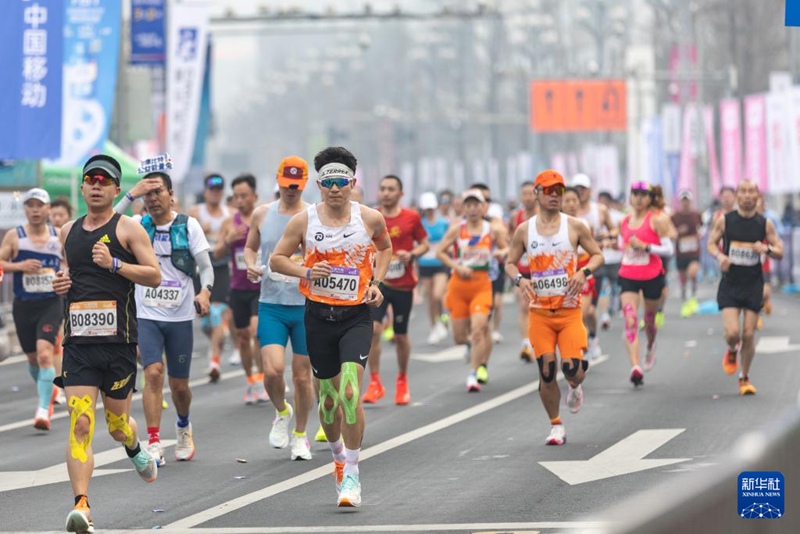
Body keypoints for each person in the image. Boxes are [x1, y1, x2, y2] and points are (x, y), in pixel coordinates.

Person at [270, 147, 391, 507]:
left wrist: (377, 283)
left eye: (342, 182)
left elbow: (385, 250)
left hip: (355, 316)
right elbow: (276, 259)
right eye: (328, 182)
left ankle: (352, 474)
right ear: (319, 185)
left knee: (351, 393)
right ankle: (338, 459)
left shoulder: (369, 218)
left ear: (353, 183)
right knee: (327, 403)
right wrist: (306, 271)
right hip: (319, 316)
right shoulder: (304, 221)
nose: (335, 188)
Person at [52, 154, 161, 533]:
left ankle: (133, 445)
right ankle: (82, 506)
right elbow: (69, 275)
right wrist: (60, 284)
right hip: (79, 343)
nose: (96, 185)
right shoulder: (67, 231)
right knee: (80, 422)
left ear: (116, 189)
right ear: (82, 187)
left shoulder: (127, 228)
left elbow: (154, 276)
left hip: (118, 343)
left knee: (116, 425)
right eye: (90, 179)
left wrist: (115, 265)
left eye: (104, 180)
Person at [114, 171, 213, 467]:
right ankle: (154, 441)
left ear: (171, 195)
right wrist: (131, 193)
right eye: (148, 193)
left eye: (158, 192)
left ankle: (183, 426)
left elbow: (206, 267)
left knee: (179, 386)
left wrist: (205, 292)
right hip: (146, 314)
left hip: (180, 316)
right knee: (153, 374)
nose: (153, 198)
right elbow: (107, 223)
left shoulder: (188, 225)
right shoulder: (137, 226)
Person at [505, 170, 603, 445]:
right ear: (536, 194)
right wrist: (519, 280)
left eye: (559, 191)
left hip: (570, 311)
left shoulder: (575, 226)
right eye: (548, 191)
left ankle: (575, 384)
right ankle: (556, 425)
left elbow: (597, 255)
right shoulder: (525, 230)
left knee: (573, 369)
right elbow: (510, 262)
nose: (554, 196)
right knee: (547, 371)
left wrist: (583, 273)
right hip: (540, 313)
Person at [244, 156, 316, 461]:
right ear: (278, 181)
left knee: (302, 377)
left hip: (304, 306)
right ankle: (281, 411)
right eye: (286, 185)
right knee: (272, 371)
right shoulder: (262, 214)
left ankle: (300, 435)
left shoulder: (314, 216)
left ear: (304, 184)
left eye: (296, 186)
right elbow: (250, 247)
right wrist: (251, 266)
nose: (291, 191)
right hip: (272, 303)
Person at [706, 181, 783, 396]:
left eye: (751, 192)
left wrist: (766, 248)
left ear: (757, 196)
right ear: (738, 195)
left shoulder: (764, 224)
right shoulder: (725, 221)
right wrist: (720, 256)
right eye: (743, 192)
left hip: (753, 283)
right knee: (732, 333)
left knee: (748, 334)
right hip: (730, 283)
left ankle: (744, 377)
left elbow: (780, 250)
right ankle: (731, 349)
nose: (747, 196)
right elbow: (711, 244)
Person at [0, 188, 64, 430]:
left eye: (40, 205)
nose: (35, 210)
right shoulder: (15, 237)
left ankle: (43, 408)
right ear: (25, 209)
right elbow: (1, 262)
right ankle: (49, 388)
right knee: (32, 358)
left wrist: (64, 274)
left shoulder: (58, 236)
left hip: (50, 302)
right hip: (24, 305)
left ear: (48, 209)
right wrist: (20, 265)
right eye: (31, 206)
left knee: (45, 353)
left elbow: (72, 261)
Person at [363, 175, 429, 406]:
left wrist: (412, 254)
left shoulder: (411, 217)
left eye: (391, 189)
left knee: (400, 335)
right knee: (373, 330)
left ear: (401, 193)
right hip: (378, 284)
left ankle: (402, 381)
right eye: (382, 188)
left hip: (403, 284)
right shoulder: (371, 217)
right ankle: (374, 382)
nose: (386, 193)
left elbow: (425, 243)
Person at [436, 189, 508, 392]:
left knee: (478, 330)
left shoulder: (492, 229)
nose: (473, 209)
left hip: (482, 285)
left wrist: (500, 253)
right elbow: (440, 251)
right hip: (458, 285)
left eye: (477, 204)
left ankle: (473, 373)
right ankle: (471, 348)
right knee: (459, 337)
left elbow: (507, 249)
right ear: (463, 208)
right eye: (468, 205)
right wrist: (457, 267)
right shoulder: (457, 229)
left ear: (483, 207)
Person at [214, 174, 266, 404]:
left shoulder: (264, 219)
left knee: (256, 332)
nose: (240, 200)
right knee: (243, 338)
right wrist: (227, 241)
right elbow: (215, 254)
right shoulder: (229, 223)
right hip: (238, 288)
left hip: (261, 286)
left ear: (254, 196)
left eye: (244, 195)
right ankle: (251, 380)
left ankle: (264, 380)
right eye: (236, 196)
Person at [617, 182, 675, 386]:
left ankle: (650, 344)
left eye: (643, 194)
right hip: (628, 274)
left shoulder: (657, 220)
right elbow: (622, 245)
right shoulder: (624, 221)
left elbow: (669, 249)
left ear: (650, 198)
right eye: (635, 194)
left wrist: (647, 247)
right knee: (630, 319)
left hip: (651, 275)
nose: (639, 198)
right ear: (630, 197)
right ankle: (635, 366)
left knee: (649, 322)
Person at [188, 174, 231, 382]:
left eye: (218, 190)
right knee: (205, 321)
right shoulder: (195, 213)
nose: (215, 193)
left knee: (216, 313)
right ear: (205, 191)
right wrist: (200, 232)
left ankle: (214, 361)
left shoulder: (228, 215)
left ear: (222, 192)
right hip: (200, 268)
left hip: (221, 269)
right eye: (211, 190)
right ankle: (216, 341)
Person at [570, 173, 617, 360]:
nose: (580, 193)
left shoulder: (599, 211)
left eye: (583, 189)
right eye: (576, 189)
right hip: (569, 269)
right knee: (586, 312)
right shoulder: (565, 215)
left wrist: (605, 239)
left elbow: (614, 230)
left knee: (586, 310)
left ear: (589, 190)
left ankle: (588, 341)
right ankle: (590, 338)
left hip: (591, 265)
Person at [509, 181, 538, 362]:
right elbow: (510, 238)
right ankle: (526, 343)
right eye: (524, 194)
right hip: (522, 269)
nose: (528, 197)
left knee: (538, 307)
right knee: (523, 305)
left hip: (541, 270)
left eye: (530, 193)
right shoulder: (516, 217)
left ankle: (538, 342)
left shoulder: (542, 216)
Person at [417, 192, 451, 345]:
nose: (429, 211)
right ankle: (434, 327)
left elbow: (450, 241)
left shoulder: (443, 223)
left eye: (431, 208)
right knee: (430, 299)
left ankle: (443, 315)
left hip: (440, 264)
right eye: (427, 208)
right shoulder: (419, 223)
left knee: (438, 294)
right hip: (425, 264)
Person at [672, 190, 703, 317]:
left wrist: (699, 234)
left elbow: (702, 228)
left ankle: (693, 293)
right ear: (680, 201)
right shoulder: (675, 217)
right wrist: (678, 232)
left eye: (687, 200)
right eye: (683, 200)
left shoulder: (697, 215)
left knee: (693, 272)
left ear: (691, 201)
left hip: (694, 250)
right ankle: (684, 291)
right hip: (681, 252)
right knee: (683, 276)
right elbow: (671, 233)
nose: (685, 203)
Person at [596, 191, 625, 329]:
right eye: (600, 200)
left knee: (616, 286)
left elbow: (622, 235)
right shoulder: (593, 215)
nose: (603, 203)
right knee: (603, 287)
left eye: (605, 200)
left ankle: (616, 304)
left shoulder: (618, 217)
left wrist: (615, 243)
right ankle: (604, 314)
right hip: (600, 258)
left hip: (615, 257)